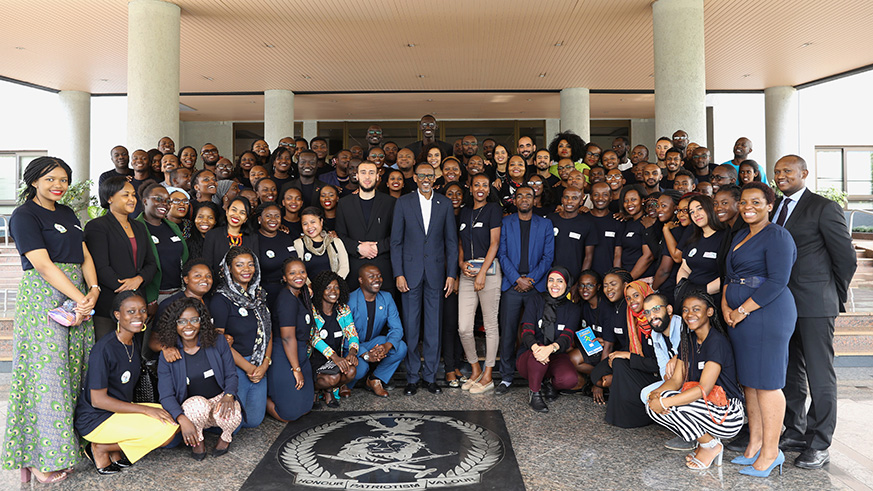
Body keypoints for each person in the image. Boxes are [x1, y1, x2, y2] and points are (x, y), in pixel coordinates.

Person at [3, 157, 99, 483]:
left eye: (63, 180)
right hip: (44, 298)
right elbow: (42, 265)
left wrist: (94, 290)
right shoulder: (24, 216)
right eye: (51, 180)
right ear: (34, 181)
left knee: (76, 372)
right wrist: (78, 297)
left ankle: (67, 447)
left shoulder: (69, 213)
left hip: (78, 298)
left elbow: (84, 253)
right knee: (47, 376)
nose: (58, 186)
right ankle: (40, 457)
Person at [772, 156, 856, 470]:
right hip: (782, 305)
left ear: (804, 174)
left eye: (788, 171)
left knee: (819, 375)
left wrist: (831, 292)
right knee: (791, 372)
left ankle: (820, 443)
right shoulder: (777, 209)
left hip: (815, 304)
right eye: (778, 171)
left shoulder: (822, 207)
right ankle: (794, 432)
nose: (781, 176)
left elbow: (845, 256)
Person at [722, 181, 798, 476]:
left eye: (756, 202)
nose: (748, 207)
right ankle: (754, 444)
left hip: (768, 314)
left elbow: (778, 282)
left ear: (770, 206)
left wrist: (741, 309)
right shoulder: (741, 234)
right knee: (751, 383)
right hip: (740, 316)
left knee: (767, 383)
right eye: (743, 202)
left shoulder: (778, 235)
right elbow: (730, 275)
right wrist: (727, 308)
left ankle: (771, 452)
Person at [75, 292, 179, 475]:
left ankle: (114, 448)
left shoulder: (134, 339)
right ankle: (100, 448)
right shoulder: (104, 349)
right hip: (96, 419)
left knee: (171, 418)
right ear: (117, 315)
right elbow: (98, 400)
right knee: (166, 431)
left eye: (142, 310)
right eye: (130, 311)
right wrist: (145, 409)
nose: (138, 316)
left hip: (120, 411)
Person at [646, 292, 745, 470]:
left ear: (709, 312)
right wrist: (656, 395)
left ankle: (710, 446)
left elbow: (703, 389)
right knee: (652, 404)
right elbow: (676, 380)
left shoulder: (716, 342)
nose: (689, 314)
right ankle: (705, 442)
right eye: (685, 310)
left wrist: (665, 401)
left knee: (671, 404)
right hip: (706, 406)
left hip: (728, 413)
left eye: (696, 309)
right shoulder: (688, 340)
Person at [390, 162, 458, 396]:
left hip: (437, 274)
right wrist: (398, 273)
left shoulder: (445, 204)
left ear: (435, 178)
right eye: (422, 175)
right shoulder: (403, 202)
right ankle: (411, 378)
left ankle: (430, 377)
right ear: (416, 178)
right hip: (410, 274)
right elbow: (396, 242)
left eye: (430, 175)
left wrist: (451, 274)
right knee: (411, 327)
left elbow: (451, 242)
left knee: (433, 327)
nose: (426, 179)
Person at [156, 297, 242, 459]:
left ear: (202, 321)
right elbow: (166, 395)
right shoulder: (168, 354)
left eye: (194, 320)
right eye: (181, 321)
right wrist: (182, 419)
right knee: (196, 406)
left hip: (219, 400)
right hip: (193, 407)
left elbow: (231, 374)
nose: (188, 326)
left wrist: (229, 395)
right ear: (174, 324)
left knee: (234, 417)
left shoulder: (218, 342)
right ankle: (199, 440)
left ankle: (225, 438)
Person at [495, 186, 554, 395]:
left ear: (535, 199)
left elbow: (548, 257)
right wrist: (516, 279)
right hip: (512, 285)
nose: (524, 199)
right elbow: (501, 254)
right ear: (514, 200)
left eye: (528, 195)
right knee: (508, 332)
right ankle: (507, 378)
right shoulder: (505, 222)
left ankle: (536, 376)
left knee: (537, 332)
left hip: (535, 286)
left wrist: (531, 279)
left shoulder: (545, 224)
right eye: (520, 196)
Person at [85, 176, 157, 340]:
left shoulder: (139, 226)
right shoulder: (97, 226)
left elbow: (151, 263)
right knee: (108, 351)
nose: (132, 199)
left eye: (133, 195)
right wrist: (128, 289)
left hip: (137, 303)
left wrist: (139, 279)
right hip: (109, 303)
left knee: (134, 354)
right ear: (109, 198)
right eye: (126, 195)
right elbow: (100, 267)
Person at [210, 246, 272, 428]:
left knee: (253, 421)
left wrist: (265, 363)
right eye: (240, 265)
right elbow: (218, 340)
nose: (246, 269)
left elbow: (268, 330)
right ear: (229, 268)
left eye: (250, 265)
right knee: (233, 427)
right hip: (235, 365)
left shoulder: (259, 294)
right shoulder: (221, 299)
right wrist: (249, 368)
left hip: (260, 363)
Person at [458, 173, 503, 394]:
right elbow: (460, 242)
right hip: (467, 272)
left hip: (489, 271)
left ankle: (488, 375)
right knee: (464, 327)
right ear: (470, 187)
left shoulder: (494, 210)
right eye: (477, 185)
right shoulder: (464, 212)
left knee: (490, 325)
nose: (481, 189)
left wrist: (483, 273)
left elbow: (495, 243)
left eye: (485, 185)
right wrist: (460, 263)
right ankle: (475, 369)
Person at [517, 267, 581, 412]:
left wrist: (550, 349)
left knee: (570, 379)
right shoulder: (536, 300)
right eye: (551, 280)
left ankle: (548, 382)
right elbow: (526, 331)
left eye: (560, 281)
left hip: (556, 354)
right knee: (538, 358)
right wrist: (537, 348)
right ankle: (535, 393)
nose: (554, 285)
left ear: (567, 285)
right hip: (529, 356)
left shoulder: (573, 309)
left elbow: (567, 337)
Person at [600, 280, 662, 427]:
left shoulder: (658, 322)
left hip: (661, 377)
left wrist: (628, 355)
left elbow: (659, 365)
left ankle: (644, 416)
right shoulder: (634, 320)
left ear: (646, 296)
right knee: (615, 363)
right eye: (628, 298)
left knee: (621, 364)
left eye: (636, 295)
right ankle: (620, 415)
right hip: (645, 369)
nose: (632, 301)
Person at [638, 292, 693, 451]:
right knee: (646, 394)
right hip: (675, 381)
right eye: (647, 312)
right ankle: (682, 428)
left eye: (656, 309)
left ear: (669, 309)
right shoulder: (655, 334)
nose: (652, 316)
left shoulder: (684, 324)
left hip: (695, 381)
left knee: (668, 395)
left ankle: (695, 434)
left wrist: (678, 356)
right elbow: (664, 369)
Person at [348, 264, 407, 397]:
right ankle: (344, 384)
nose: (377, 279)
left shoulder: (386, 298)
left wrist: (386, 346)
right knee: (361, 369)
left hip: (372, 342)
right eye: (371, 276)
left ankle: (375, 379)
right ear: (361, 280)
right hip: (351, 346)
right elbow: (344, 336)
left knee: (400, 347)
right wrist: (365, 354)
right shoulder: (350, 300)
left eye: (379, 276)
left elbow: (397, 328)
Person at [336, 161, 396, 292]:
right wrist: (358, 247)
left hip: (383, 270)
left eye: (371, 173)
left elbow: (396, 235)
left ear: (377, 177)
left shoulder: (390, 202)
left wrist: (378, 247)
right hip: (353, 271)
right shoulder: (343, 203)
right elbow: (340, 235)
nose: (367, 177)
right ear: (356, 176)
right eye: (363, 173)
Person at [267, 258, 315, 420]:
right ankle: (261, 400)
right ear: (285, 277)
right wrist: (296, 370)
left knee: (307, 407)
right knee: (288, 414)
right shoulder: (286, 299)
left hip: (300, 353)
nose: (298, 276)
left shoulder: (300, 295)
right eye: (292, 273)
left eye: (302, 271)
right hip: (284, 353)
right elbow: (288, 338)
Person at [308, 271, 360, 408]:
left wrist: (352, 353)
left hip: (334, 361)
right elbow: (313, 338)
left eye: (336, 287)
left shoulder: (343, 309)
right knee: (332, 378)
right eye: (328, 287)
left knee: (352, 371)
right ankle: (315, 389)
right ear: (320, 290)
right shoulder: (312, 310)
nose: (333, 291)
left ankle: (328, 390)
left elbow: (352, 332)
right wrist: (334, 357)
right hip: (314, 360)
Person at [136, 182, 189, 308]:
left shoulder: (172, 226)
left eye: (167, 201)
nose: (164, 204)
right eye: (159, 199)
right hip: (153, 297)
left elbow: (183, 257)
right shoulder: (136, 228)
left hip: (177, 293)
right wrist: (150, 299)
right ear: (145, 201)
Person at [676, 195, 726, 297]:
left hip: (712, 297)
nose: (696, 214)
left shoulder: (724, 237)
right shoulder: (693, 238)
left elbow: (727, 275)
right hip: (689, 297)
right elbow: (684, 268)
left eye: (699, 209)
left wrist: (700, 292)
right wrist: (682, 288)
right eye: (692, 212)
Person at [255, 202, 297, 306]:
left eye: (277, 216)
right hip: (266, 294)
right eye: (268, 216)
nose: (273, 219)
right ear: (260, 219)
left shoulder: (286, 236)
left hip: (289, 290)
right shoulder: (254, 239)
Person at [202, 196, 259, 273]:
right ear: (227, 211)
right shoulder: (212, 235)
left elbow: (255, 267)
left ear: (246, 218)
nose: (236, 215)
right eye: (234, 210)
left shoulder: (253, 238)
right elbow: (207, 266)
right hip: (218, 283)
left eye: (242, 213)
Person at [549, 186, 597, 276]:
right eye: (566, 197)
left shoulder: (587, 224)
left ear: (581, 201)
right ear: (562, 200)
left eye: (574, 198)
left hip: (574, 276)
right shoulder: (551, 219)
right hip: (550, 274)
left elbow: (588, 256)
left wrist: (580, 280)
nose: (569, 201)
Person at [294, 206, 350, 280]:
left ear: (321, 222)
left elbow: (344, 267)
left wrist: (333, 284)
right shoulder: (299, 244)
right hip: (310, 289)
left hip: (334, 288)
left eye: (313, 222)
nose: (309, 227)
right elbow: (299, 270)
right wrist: (310, 287)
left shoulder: (335, 242)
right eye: (305, 224)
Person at [616, 185, 656, 281]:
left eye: (633, 199)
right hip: (625, 276)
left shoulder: (647, 222)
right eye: (626, 201)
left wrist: (629, 279)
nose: (629, 204)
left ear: (642, 200)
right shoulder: (626, 223)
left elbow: (648, 256)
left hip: (641, 279)